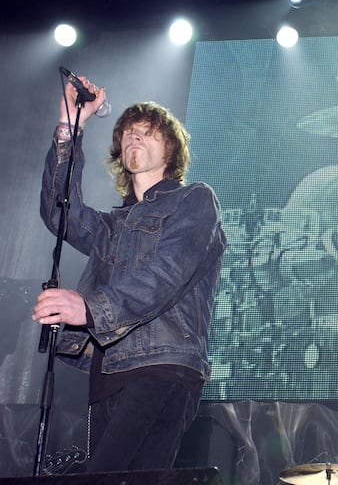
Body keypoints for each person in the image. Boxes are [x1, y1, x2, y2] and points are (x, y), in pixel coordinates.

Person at [32, 76, 226, 472]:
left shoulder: (194, 200)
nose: (135, 137)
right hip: (108, 368)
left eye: (148, 132)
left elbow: (166, 274)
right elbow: (58, 211)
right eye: (129, 133)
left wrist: (89, 309)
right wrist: (71, 126)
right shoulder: (112, 227)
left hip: (163, 365)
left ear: (170, 149)